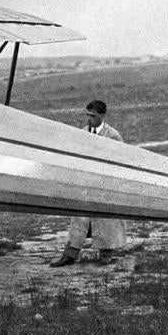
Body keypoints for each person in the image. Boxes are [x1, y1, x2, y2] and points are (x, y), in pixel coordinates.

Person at [50, 99, 128, 267]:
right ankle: (69, 255)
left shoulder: (113, 135)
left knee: (105, 220)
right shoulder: (83, 132)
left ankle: (106, 254)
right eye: (87, 115)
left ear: (102, 115)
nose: (89, 119)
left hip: (104, 185)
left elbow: (120, 162)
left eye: (93, 116)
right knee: (79, 218)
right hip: (85, 184)